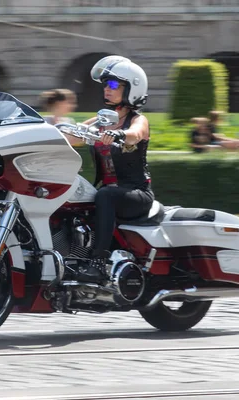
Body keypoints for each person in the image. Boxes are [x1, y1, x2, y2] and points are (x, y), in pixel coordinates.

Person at [66, 55, 154, 283]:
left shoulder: (137, 120)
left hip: (136, 193)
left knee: (105, 194)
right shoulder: (101, 120)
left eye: (113, 84)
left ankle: (97, 263)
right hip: (109, 193)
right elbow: (71, 135)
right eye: (105, 84)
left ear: (132, 89)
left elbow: (135, 135)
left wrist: (120, 134)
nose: (107, 89)